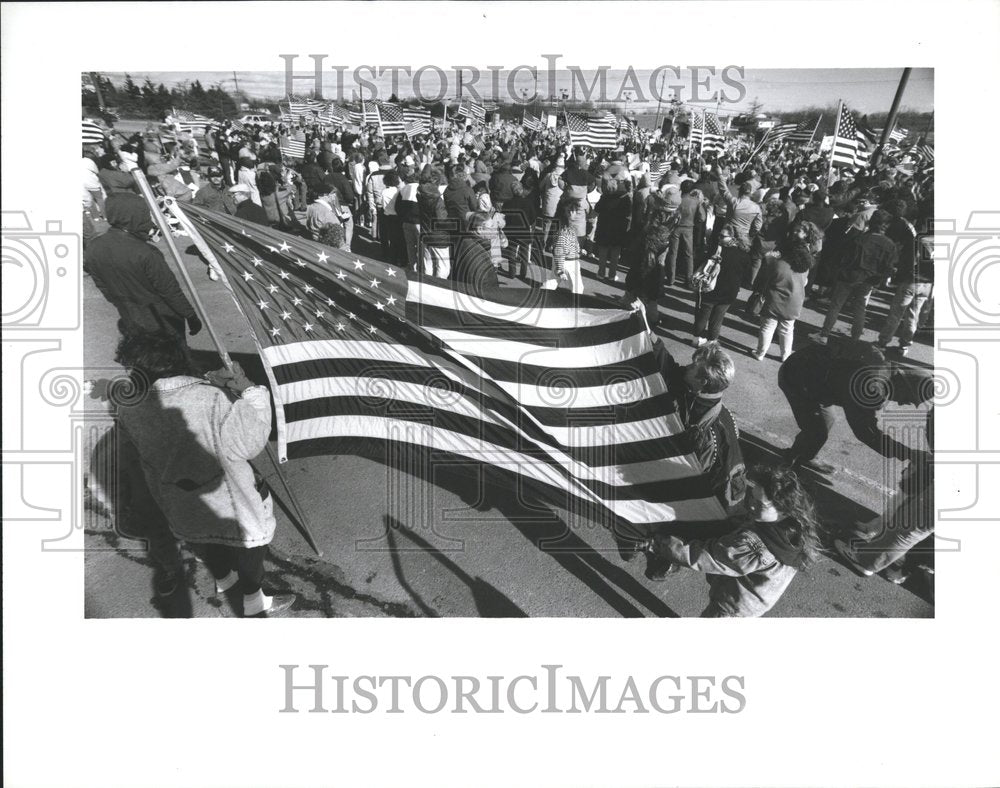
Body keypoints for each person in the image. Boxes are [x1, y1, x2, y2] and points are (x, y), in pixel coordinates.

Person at [114, 332, 296, 618]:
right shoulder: (210, 398)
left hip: (177, 496)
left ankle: (224, 579)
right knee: (250, 546)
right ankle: (253, 600)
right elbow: (250, 443)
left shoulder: (129, 408)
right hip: (229, 496)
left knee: (204, 538)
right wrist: (252, 393)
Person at [645, 464, 823, 617]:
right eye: (751, 496)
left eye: (760, 505)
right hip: (754, 602)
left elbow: (701, 557)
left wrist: (662, 544)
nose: (751, 504)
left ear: (783, 510)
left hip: (729, 608)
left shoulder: (752, 547)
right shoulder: (794, 527)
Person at [778, 337, 933, 474]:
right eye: (907, 399)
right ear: (904, 384)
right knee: (817, 430)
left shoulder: (879, 359)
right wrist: (909, 453)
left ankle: (805, 455)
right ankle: (787, 469)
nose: (901, 403)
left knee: (826, 421)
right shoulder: (871, 389)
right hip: (797, 377)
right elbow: (867, 434)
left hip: (809, 368)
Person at [83, 192, 202, 342]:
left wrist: (122, 304)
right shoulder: (146, 252)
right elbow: (169, 290)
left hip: (129, 313)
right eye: (144, 214)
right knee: (174, 355)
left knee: (147, 353)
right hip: (162, 316)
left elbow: (102, 285)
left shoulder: (94, 247)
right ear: (134, 216)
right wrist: (190, 315)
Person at [815, 209, 897, 343]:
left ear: (870, 222)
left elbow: (844, 258)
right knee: (860, 308)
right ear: (886, 226)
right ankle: (855, 338)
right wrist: (878, 281)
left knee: (836, 305)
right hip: (868, 280)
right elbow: (888, 267)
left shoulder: (859, 239)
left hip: (849, 276)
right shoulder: (890, 245)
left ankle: (824, 334)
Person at [752, 221, 819, 361]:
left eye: (798, 231)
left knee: (768, 326)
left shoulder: (781, 261)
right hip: (795, 299)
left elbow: (772, 274)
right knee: (787, 329)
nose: (794, 233)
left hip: (775, 297)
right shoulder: (806, 263)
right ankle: (785, 355)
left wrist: (770, 258)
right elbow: (805, 282)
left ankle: (760, 353)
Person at [876, 200, 932, 356]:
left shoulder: (918, 240)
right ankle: (904, 346)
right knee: (913, 315)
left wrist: (898, 275)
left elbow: (909, 261)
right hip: (927, 284)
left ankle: (882, 342)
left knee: (896, 314)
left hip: (911, 280)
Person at [691, 224, 748, 346]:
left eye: (722, 236)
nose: (719, 238)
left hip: (709, 290)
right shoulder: (743, 255)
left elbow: (700, 264)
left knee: (702, 316)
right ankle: (712, 342)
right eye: (719, 235)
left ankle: (697, 339)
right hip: (729, 293)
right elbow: (744, 275)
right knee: (717, 319)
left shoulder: (714, 251)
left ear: (733, 238)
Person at [594, 154, 633, 282]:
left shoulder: (605, 195)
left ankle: (601, 272)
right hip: (619, 224)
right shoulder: (625, 196)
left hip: (605, 223)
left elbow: (597, 209)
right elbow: (628, 211)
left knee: (603, 248)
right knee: (615, 250)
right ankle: (612, 274)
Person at [542, 198, 585, 294]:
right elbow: (559, 250)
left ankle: (542, 293)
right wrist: (560, 270)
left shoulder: (568, 228)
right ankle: (575, 304)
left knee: (552, 281)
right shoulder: (564, 232)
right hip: (567, 262)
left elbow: (571, 243)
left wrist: (579, 250)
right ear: (567, 213)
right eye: (572, 211)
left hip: (564, 261)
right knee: (578, 288)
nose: (574, 213)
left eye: (575, 211)